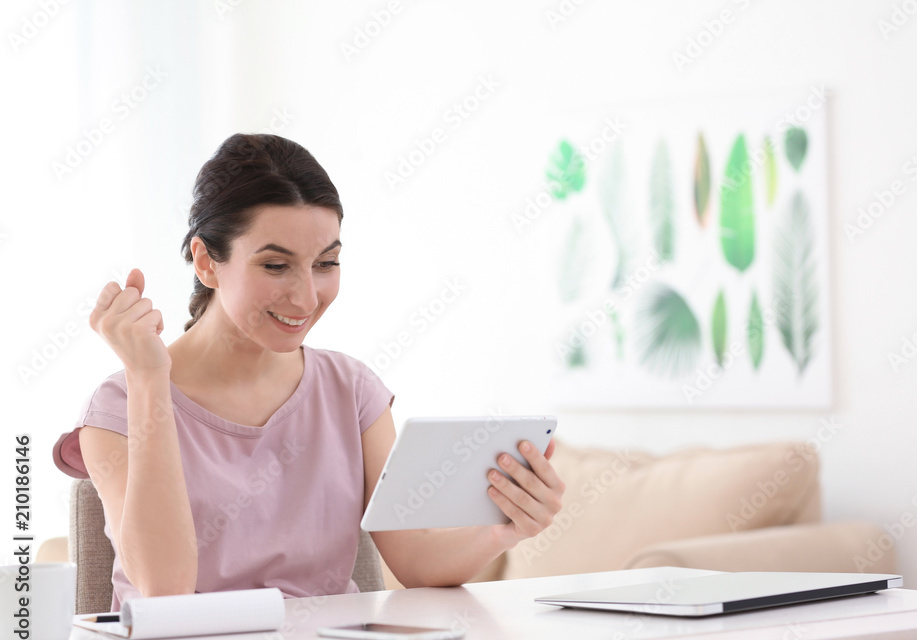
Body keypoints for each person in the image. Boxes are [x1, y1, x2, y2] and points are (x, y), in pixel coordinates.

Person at [52, 133, 565, 612]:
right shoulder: (118, 408)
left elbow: (413, 560)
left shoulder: (351, 392)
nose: (305, 297)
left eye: (326, 263)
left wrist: (505, 529)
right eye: (276, 266)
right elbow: (166, 591)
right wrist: (148, 378)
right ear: (206, 262)